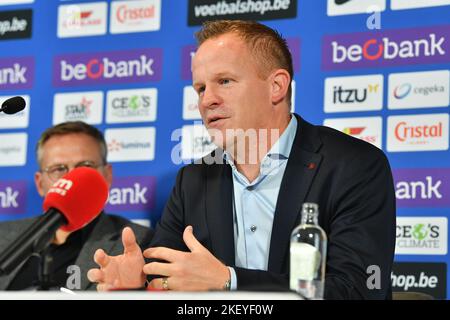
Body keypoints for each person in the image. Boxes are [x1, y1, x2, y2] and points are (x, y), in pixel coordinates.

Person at [88, 20, 396, 299]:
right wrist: (138, 285)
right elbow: (165, 280)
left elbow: (357, 290)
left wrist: (229, 282)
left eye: (224, 81)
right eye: (200, 88)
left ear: (276, 86)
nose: (207, 100)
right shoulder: (192, 180)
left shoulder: (354, 165)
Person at [0, 121, 153, 291]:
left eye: (85, 167)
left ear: (107, 175)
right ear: (39, 183)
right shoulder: (3, 235)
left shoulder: (140, 243)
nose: (72, 178)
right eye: (59, 169)